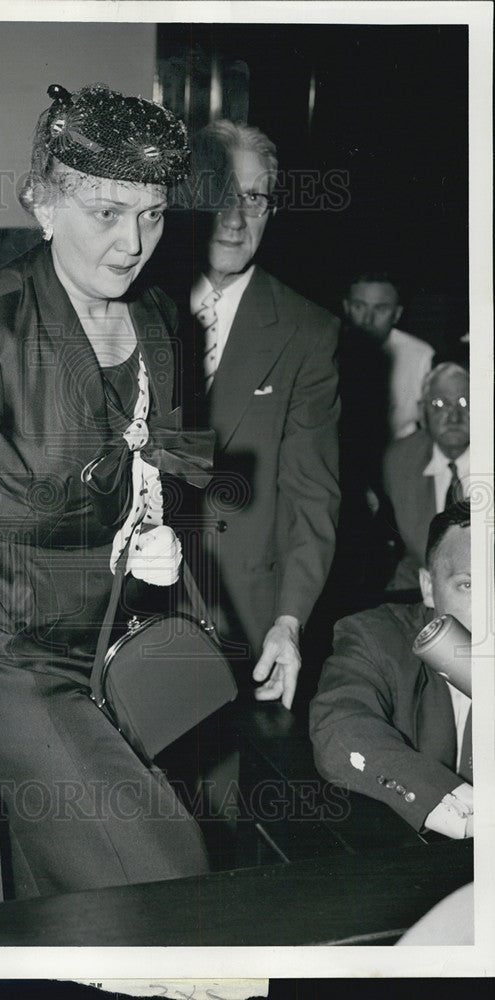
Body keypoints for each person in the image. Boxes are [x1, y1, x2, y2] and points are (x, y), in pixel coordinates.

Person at [0, 83, 215, 899]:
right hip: (8, 665)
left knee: (63, 904)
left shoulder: (159, 320)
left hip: (115, 649)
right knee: (167, 877)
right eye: (105, 212)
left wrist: (156, 524)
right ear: (43, 207)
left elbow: (157, 457)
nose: (131, 241)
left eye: (151, 214)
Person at [176, 120, 340, 709]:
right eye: (221, 195)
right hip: (126, 606)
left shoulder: (307, 331)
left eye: (255, 197)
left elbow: (311, 496)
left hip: (243, 620)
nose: (236, 216)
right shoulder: (137, 300)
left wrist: (289, 622)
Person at [310, 501, 472, 839]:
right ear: (428, 587)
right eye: (467, 585)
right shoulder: (378, 637)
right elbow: (341, 726)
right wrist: (441, 798)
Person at [382, 362, 470, 593]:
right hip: (419, 588)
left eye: (465, 403)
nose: (454, 417)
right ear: (422, 412)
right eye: (440, 404)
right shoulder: (398, 461)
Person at [342, 272, 434, 440]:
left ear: (397, 314)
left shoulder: (420, 355)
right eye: (359, 307)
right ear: (346, 307)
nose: (367, 320)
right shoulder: (325, 350)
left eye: (380, 309)